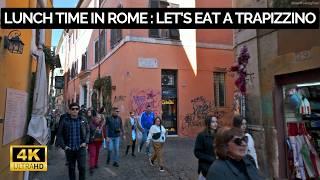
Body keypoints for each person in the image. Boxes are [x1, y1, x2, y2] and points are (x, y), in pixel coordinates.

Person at [56, 102, 90, 180]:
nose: (75, 110)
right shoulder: (65, 121)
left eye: (76, 109)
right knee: (71, 168)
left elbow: (88, 131)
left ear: (78, 110)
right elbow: (59, 134)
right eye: (73, 109)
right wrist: (64, 146)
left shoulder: (83, 120)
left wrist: (86, 142)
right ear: (70, 110)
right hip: (70, 149)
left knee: (82, 167)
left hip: (81, 148)